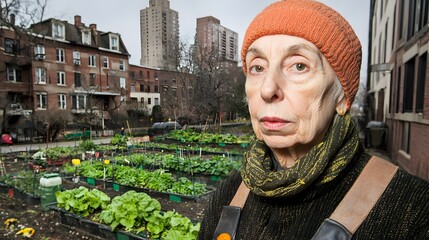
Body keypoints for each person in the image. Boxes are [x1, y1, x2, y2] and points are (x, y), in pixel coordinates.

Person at [198, 0, 429, 239]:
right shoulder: (229, 192)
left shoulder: (413, 212)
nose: (268, 89)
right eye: (257, 68)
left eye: (299, 66)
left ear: (342, 97)